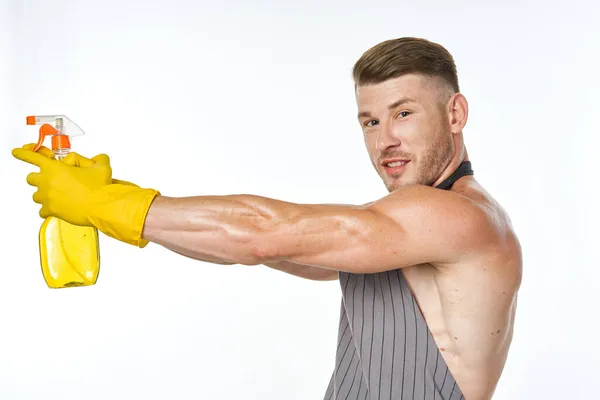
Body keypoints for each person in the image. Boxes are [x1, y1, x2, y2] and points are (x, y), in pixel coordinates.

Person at [12, 37, 522, 400]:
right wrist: (112, 202)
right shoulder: (401, 230)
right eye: (370, 120)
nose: (384, 138)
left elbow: (264, 233)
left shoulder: (457, 216)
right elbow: (265, 249)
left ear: (455, 114)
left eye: (403, 113)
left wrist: (111, 206)